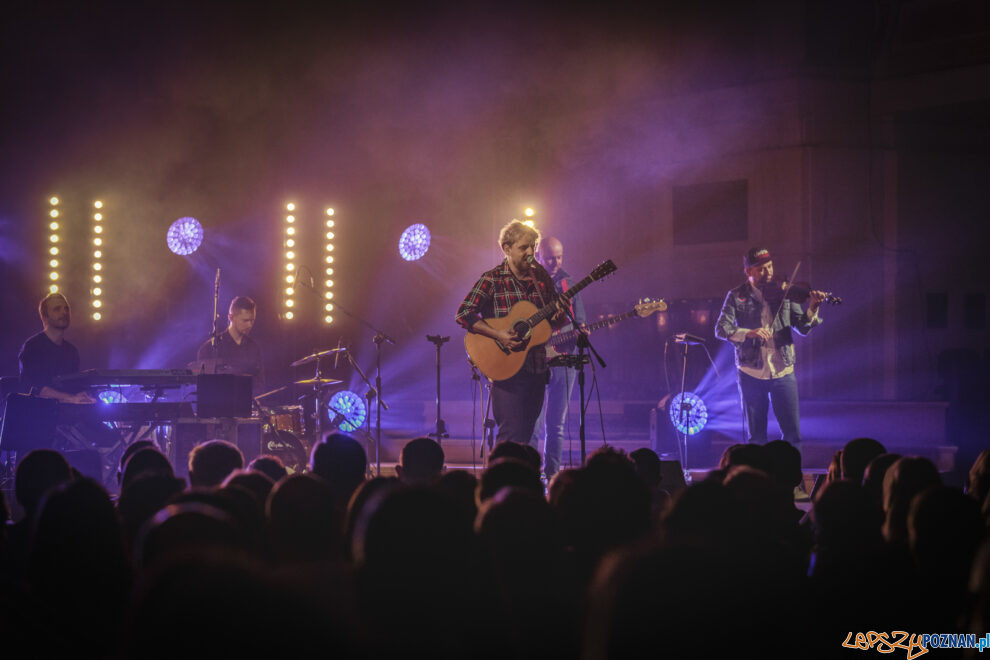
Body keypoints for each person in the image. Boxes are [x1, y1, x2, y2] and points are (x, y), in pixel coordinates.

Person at [456, 220, 567, 446]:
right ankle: (501, 480)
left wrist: (559, 315)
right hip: (506, 371)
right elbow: (463, 314)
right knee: (509, 436)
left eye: (532, 247)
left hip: (536, 369)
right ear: (507, 249)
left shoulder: (542, 280)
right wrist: (499, 335)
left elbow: (551, 325)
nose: (530, 253)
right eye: (523, 247)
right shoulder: (493, 279)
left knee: (525, 437)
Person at [715, 247, 824, 454]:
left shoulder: (786, 292)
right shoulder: (736, 296)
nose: (768, 273)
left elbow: (802, 327)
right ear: (748, 272)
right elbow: (721, 329)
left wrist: (813, 308)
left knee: (793, 435)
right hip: (750, 372)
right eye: (761, 269)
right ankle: (758, 481)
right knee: (756, 438)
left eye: (770, 267)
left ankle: (793, 482)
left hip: (783, 371)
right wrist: (749, 333)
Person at [529, 237, 586, 480]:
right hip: (535, 359)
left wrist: (581, 332)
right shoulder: (529, 282)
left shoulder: (569, 284)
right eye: (551, 257)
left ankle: (552, 476)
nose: (556, 262)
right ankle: (528, 474)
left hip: (564, 359)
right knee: (533, 423)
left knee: (556, 425)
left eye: (560, 256)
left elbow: (580, 320)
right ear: (539, 256)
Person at [18, 293, 95, 403]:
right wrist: (70, 398)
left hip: (66, 413)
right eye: (57, 309)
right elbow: (34, 388)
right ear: (44, 316)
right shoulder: (33, 346)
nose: (64, 312)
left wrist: (84, 396)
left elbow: (73, 386)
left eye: (66, 309)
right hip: (39, 414)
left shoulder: (71, 351)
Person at [196, 296, 264, 393]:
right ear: (231, 317)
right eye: (245, 320)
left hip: (247, 406)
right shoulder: (209, 348)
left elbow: (260, 384)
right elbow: (203, 389)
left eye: (252, 320)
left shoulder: (254, 348)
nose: (249, 325)